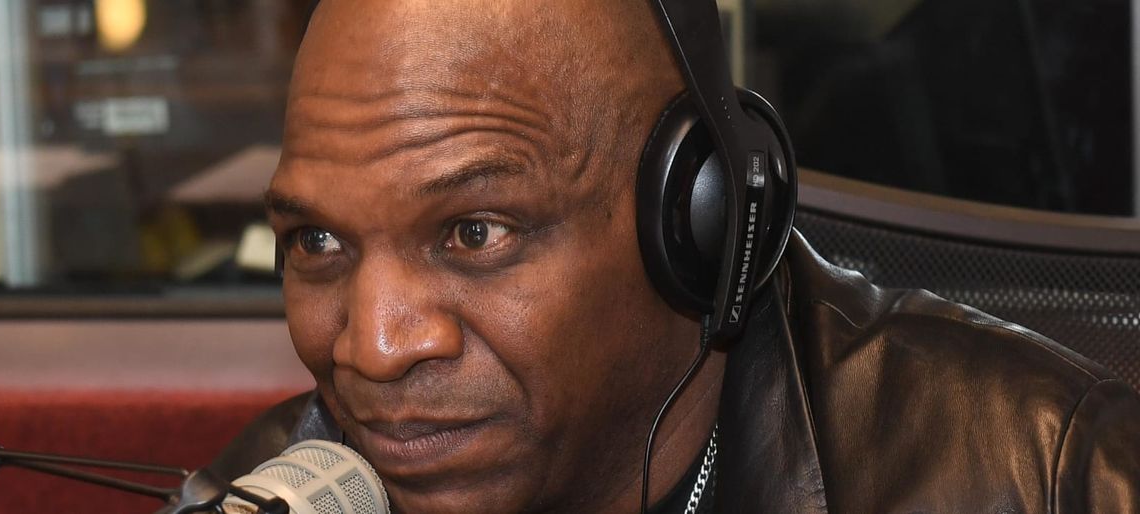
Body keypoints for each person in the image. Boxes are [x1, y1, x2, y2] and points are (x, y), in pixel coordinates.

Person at [210, 0, 1140, 512]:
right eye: (318, 242)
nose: (374, 348)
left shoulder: (1049, 478)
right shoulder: (280, 491)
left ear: (698, 221)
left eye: (475, 233)